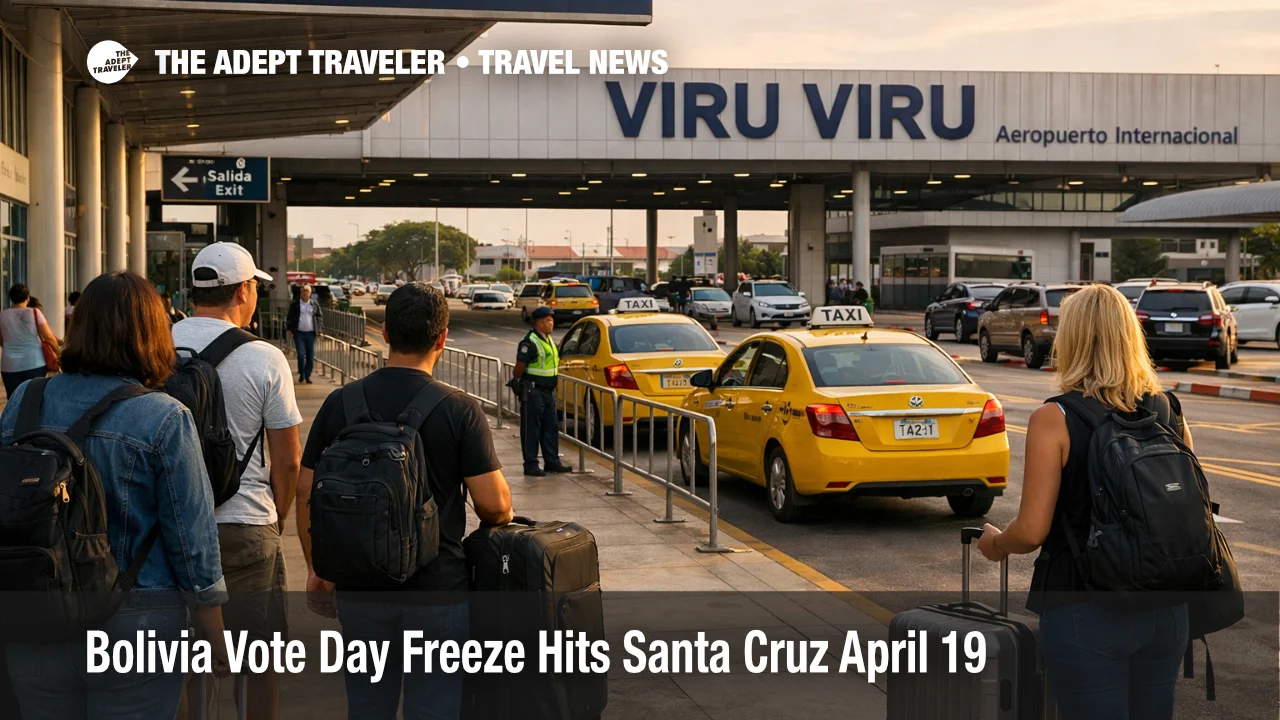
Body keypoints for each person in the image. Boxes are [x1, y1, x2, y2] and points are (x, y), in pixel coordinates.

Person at [1, 271, 229, 718]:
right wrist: (214, 634)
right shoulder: (163, 417)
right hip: (137, 621)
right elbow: (192, 544)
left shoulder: (25, 399)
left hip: (33, 614)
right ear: (152, 334)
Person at [297, 282, 513, 720]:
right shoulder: (458, 410)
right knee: (434, 708)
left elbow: (306, 490)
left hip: (360, 590)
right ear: (443, 338)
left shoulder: (341, 404)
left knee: (368, 708)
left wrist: (319, 568)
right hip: (438, 593)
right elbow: (493, 506)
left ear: (385, 332)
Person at [976, 284, 1191, 720]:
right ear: (1131, 336)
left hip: (1084, 610)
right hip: (1166, 609)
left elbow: (1033, 531)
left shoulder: (1054, 418)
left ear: (1071, 340)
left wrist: (995, 544)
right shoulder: (1168, 410)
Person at [172, 243, 303, 720]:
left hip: (172, 525)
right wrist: (279, 516)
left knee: (182, 656)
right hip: (245, 522)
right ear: (244, 290)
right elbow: (287, 461)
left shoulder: (155, 345)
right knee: (260, 657)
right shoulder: (264, 358)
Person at [513, 306, 573, 476]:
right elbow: (518, 370)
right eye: (548, 320)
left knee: (550, 428)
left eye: (552, 320)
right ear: (539, 323)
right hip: (534, 391)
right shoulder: (529, 342)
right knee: (531, 429)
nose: (551, 323)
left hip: (548, 392)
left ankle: (552, 462)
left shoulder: (548, 341)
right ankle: (531, 464)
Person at [0, 284, 60, 398]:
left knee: (14, 399)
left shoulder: (2, 315)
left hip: (9, 365)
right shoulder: (34, 312)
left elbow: (1, 340)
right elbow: (49, 337)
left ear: (11, 298)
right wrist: (58, 353)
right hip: (34, 363)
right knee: (35, 399)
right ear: (28, 297)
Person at [287, 283, 322, 383]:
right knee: (301, 354)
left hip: (311, 333)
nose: (305, 294)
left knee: (310, 355)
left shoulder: (314, 304)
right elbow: (290, 317)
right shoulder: (296, 304)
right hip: (299, 333)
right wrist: (289, 328)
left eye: (307, 292)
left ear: (310, 294)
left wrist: (319, 329)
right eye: (303, 292)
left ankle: (307, 374)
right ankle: (301, 373)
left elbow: (319, 317)